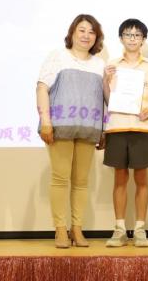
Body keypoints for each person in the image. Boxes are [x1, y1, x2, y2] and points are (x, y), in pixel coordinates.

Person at [36, 14, 105, 248]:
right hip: (60, 126)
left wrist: (104, 129)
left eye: (91, 32)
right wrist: (45, 120)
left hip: (89, 128)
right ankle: (60, 229)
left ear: (96, 37)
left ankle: (77, 228)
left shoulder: (100, 64)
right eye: (82, 30)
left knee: (81, 181)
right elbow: (42, 88)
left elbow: (104, 99)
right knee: (60, 178)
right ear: (72, 32)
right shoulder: (58, 56)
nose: (86, 35)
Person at [103, 19, 148, 248]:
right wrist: (106, 80)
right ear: (121, 38)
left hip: (142, 128)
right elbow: (107, 98)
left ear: (143, 40)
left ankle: (139, 229)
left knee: (141, 179)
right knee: (119, 179)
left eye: (137, 35)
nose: (132, 39)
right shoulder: (112, 65)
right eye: (128, 34)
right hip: (117, 126)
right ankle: (119, 229)